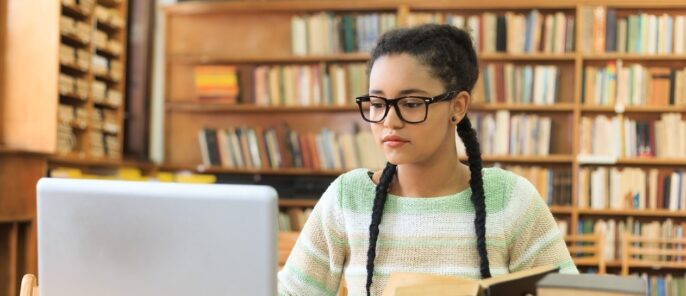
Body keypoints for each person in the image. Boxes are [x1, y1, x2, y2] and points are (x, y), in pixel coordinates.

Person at [277, 23, 578, 296]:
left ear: (457, 107)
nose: (389, 121)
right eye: (377, 103)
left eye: (410, 103)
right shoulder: (348, 198)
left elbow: (568, 293)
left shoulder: (509, 198)